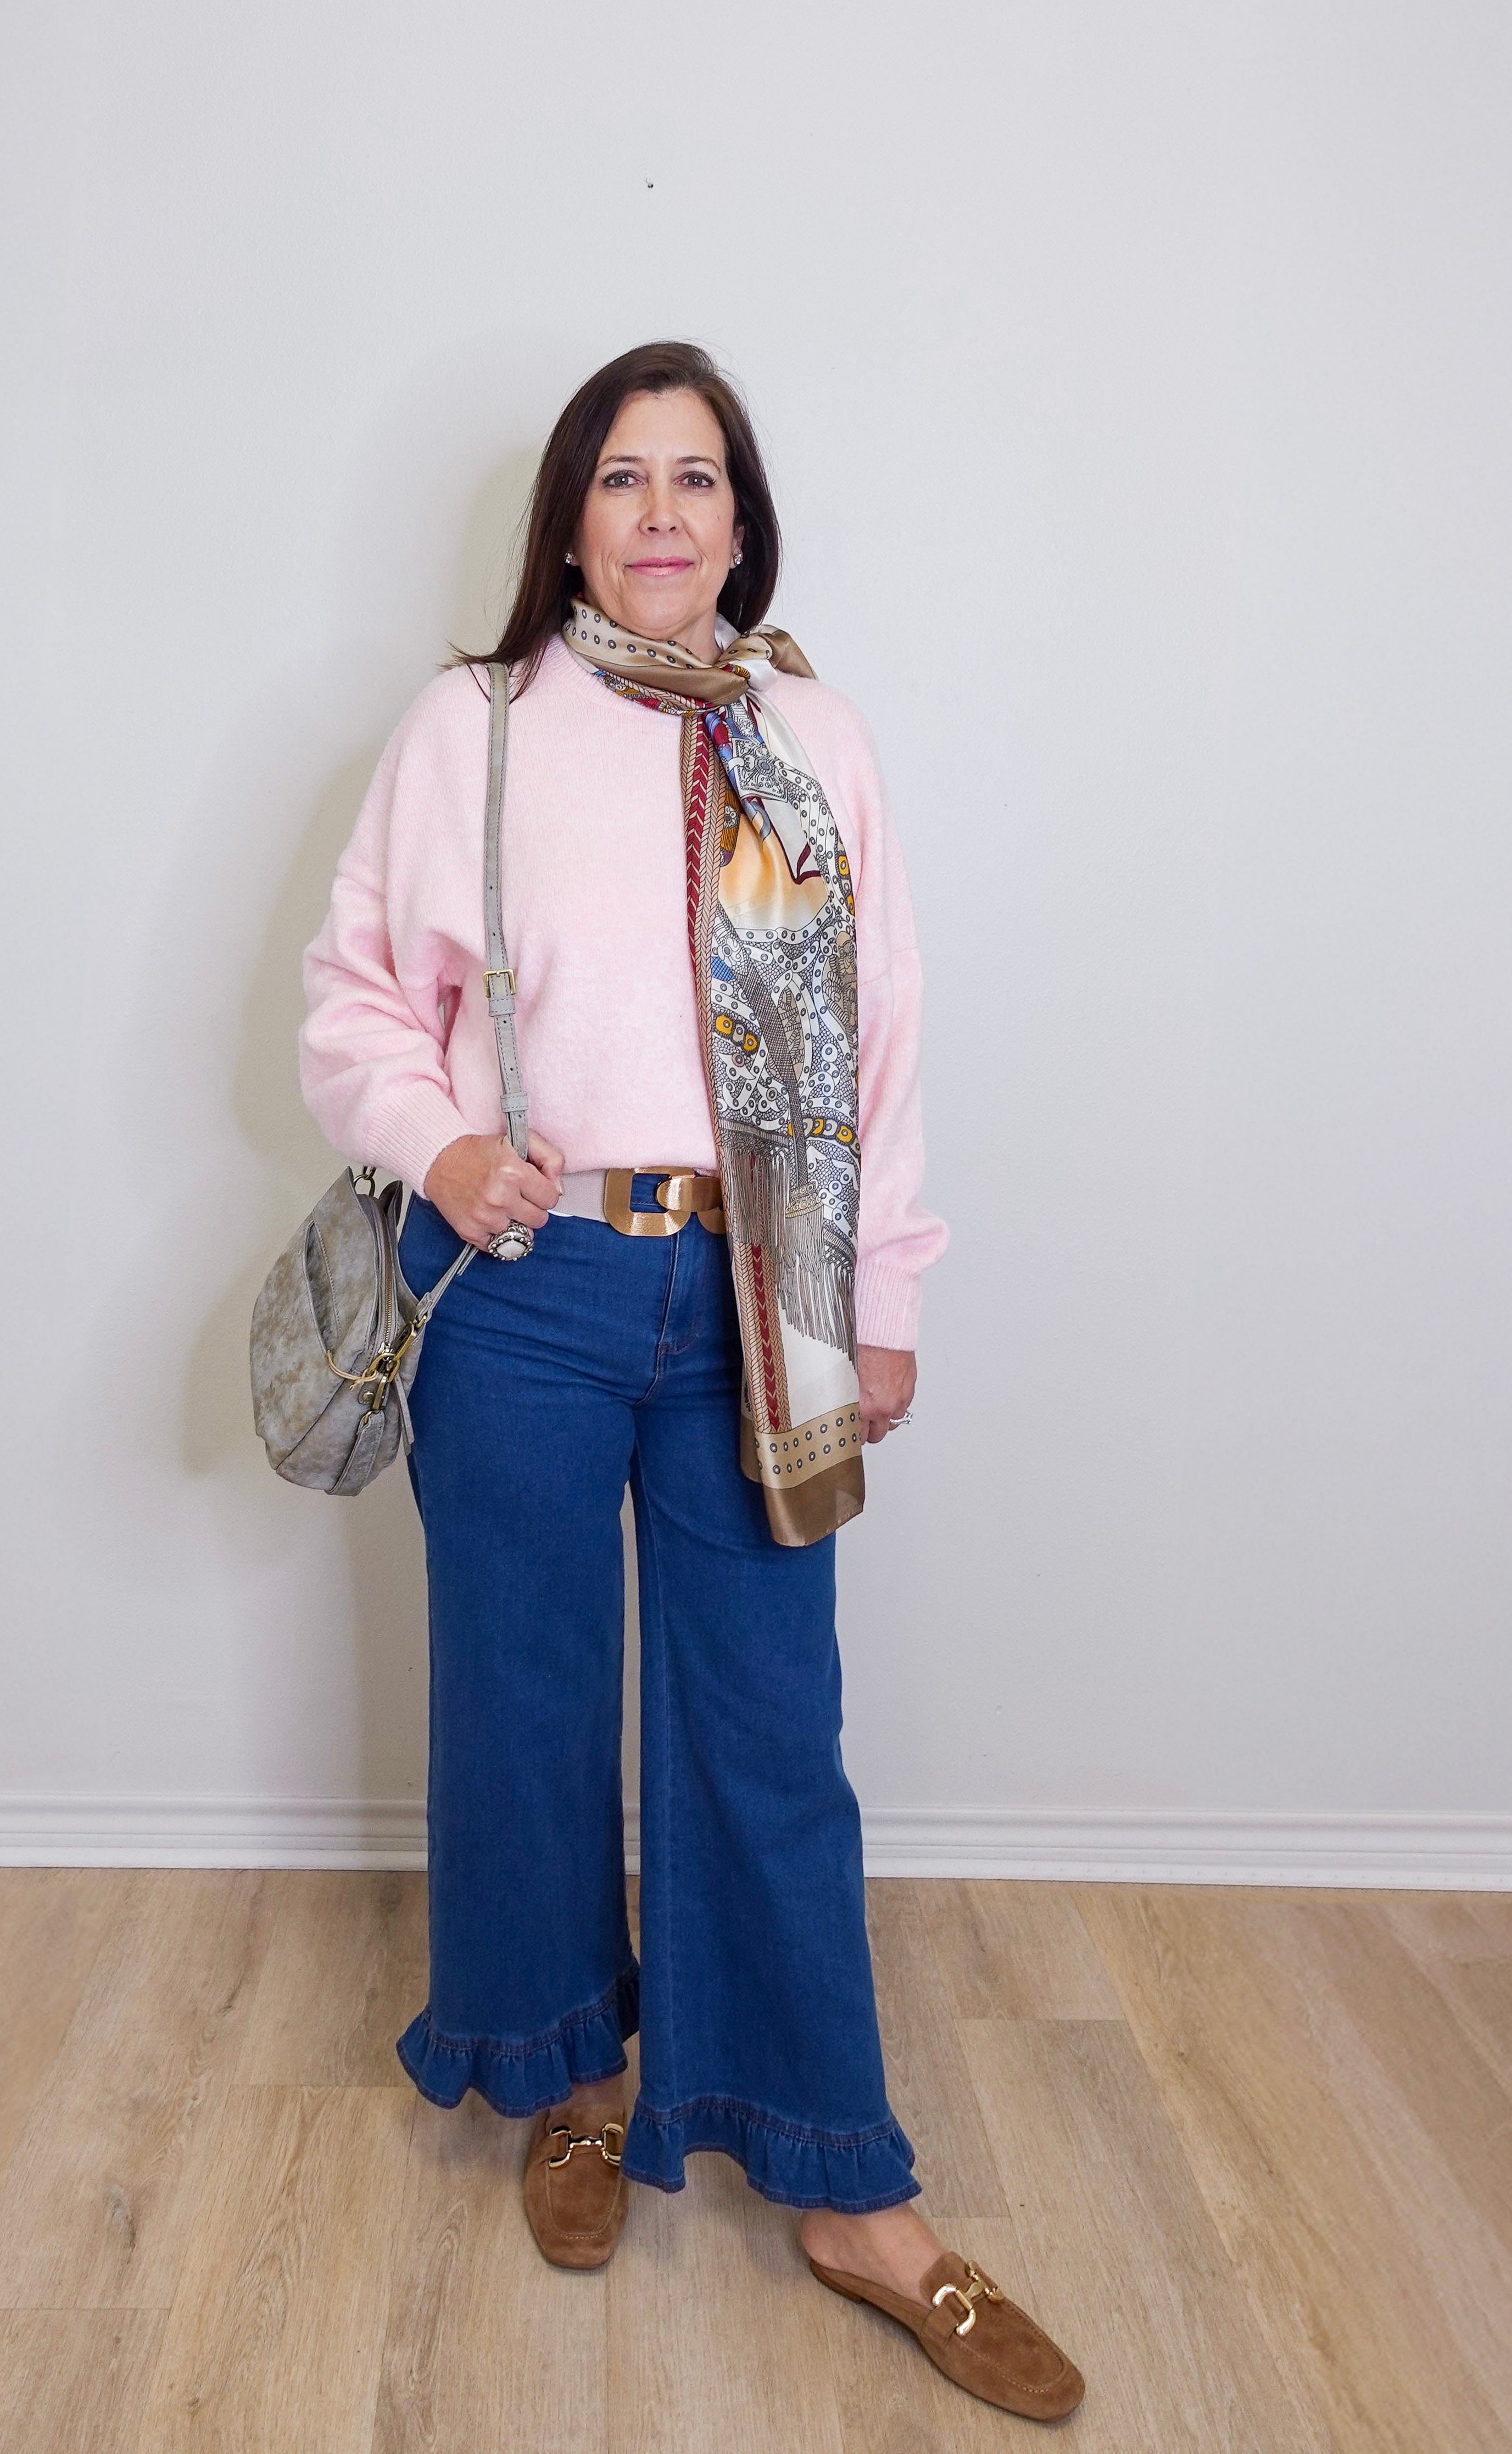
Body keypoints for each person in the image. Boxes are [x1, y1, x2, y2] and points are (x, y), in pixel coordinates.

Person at [299, 342, 1083, 2421]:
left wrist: (881, 1292)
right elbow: (359, 995)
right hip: (527, 1286)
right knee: (526, 1701)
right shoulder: (474, 729)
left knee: (766, 1728)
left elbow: (882, 1030)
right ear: (568, 516)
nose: (662, 514)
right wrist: (444, 1144)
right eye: (624, 478)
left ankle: (844, 2183)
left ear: (744, 522)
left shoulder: (810, 736)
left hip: (767, 1301)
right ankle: (567, 2078)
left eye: (699, 480)